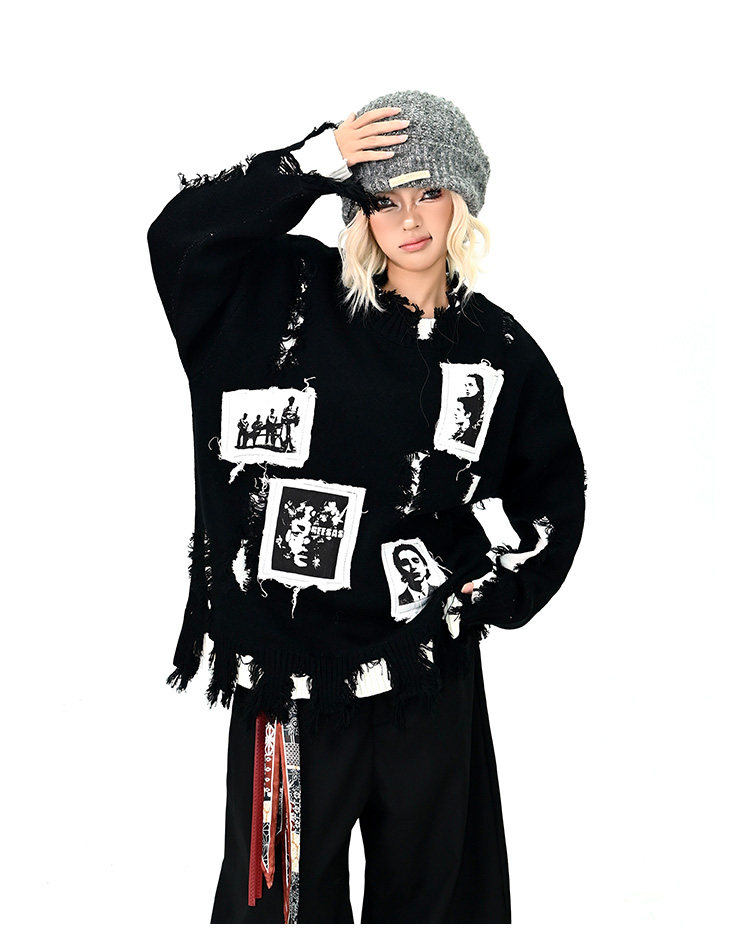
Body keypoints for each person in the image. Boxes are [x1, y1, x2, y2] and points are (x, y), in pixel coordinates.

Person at [147, 89, 587, 924]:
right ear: (358, 208)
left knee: (436, 910)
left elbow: (551, 493)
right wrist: (316, 162)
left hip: (428, 672)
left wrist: (482, 585)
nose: (409, 218)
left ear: (464, 200)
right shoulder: (289, 298)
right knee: (278, 913)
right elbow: (181, 239)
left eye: (430, 191)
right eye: (383, 198)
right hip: (289, 679)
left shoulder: (498, 351)